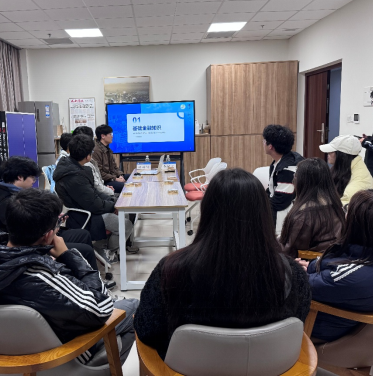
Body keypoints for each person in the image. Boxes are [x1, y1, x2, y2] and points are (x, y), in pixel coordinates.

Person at [0, 189, 139, 365]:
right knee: (134, 306)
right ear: (48, 235)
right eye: (58, 224)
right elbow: (101, 308)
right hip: (55, 356)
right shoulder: (41, 276)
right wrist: (68, 256)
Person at [134, 169, 311, 360]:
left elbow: (147, 329)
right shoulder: (292, 274)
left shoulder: (172, 269)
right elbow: (298, 320)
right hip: (272, 367)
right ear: (264, 214)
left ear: (207, 211)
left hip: (189, 369)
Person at [299, 190, 373, 342]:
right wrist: (309, 268)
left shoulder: (352, 276)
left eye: (348, 210)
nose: (345, 214)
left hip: (318, 327)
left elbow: (303, 286)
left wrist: (297, 272)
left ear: (358, 227)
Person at [0, 157, 106, 282]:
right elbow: (25, 232)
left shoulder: (11, 193)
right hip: (33, 242)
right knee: (85, 250)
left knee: (83, 234)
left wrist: (53, 220)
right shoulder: (7, 202)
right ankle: (90, 284)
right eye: (32, 178)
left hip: (40, 233)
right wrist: (53, 225)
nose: (34, 182)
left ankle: (84, 277)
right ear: (20, 177)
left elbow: (31, 219)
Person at [54, 135, 137, 260]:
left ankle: (109, 245)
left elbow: (94, 194)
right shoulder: (74, 176)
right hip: (84, 215)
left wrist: (113, 202)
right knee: (126, 225)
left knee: (123, 212)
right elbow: (94, 204)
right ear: (87, 156)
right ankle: (108, 251)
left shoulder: (75, 168)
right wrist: (112, 206)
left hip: (89, 209)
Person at [280, 159, 346, 258]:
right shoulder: (337, 206)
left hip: (308, 264)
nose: (293, 179)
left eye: (296, 176)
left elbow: (289, 252)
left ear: (302, 182)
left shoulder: (303, 216)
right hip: (334, 260)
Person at [263, 125, 304, 235]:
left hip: (283, 218)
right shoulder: (281, 160)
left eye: (264, 141)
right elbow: (272, 189)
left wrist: (261, 206)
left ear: (270, 146)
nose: (263, 143)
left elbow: (281, 201)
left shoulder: (288, 169)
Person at [320, 135, 373, 206]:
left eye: (332, 151)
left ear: (342, 155)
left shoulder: (356, 187)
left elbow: (341, 210)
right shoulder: (348, 167)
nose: (328, 153)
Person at [93, 124, 126, 193]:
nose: (112, 136)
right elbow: (99, 173)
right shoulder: (96, 150)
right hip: (105, 181)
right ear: (103, 136)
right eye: (110, 134)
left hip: (112, 177)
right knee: (126, 186)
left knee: (131, 177)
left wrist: (120, 175)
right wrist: (115, 179)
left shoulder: (107, 149)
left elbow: (114, 167)